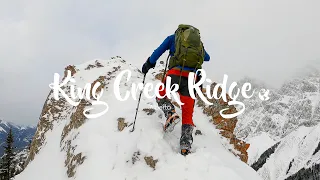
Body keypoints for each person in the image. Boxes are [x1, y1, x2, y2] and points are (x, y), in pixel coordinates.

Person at [142, 24, 210, 155]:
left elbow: (158, 52)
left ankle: (170, 114)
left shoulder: (173, 38)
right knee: (187, 112)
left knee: (160, 95)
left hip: (174, 75)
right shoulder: (199, 45)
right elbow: (207, 58)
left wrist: (149, 64)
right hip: (191, 80)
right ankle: (185, 145)